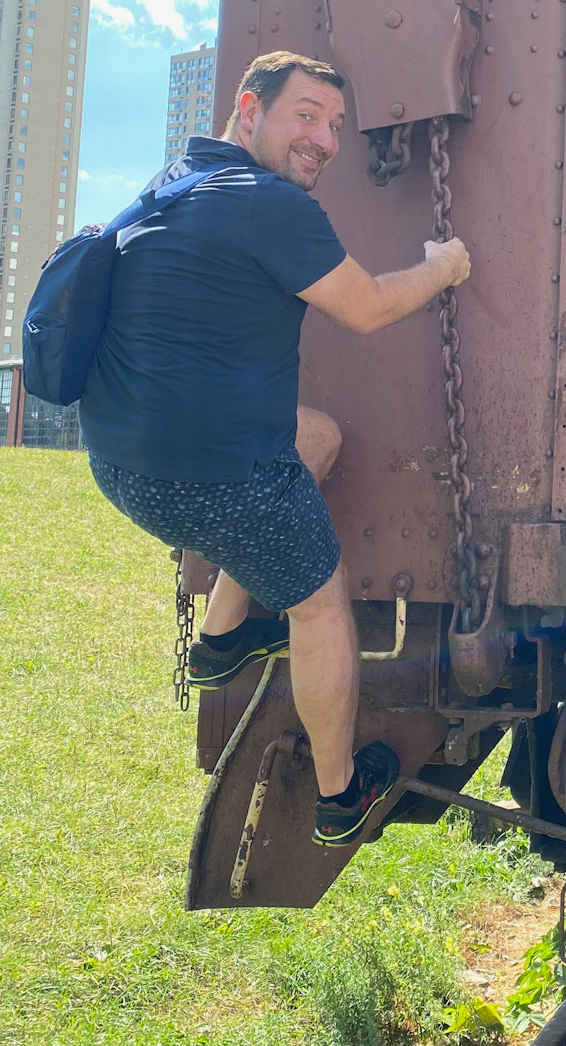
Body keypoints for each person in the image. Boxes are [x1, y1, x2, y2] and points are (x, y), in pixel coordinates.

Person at [80, 51, 471, 845]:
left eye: (333, 124)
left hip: (124, 463)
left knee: (316, 436)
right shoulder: (271, 205)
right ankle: (339, 797)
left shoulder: (174, 183)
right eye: (306, 116)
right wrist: (443, 268)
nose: (325, 139)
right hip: (212, 474)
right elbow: (362, 307)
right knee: (319, 601)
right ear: (249, 110)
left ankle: (221, 641)